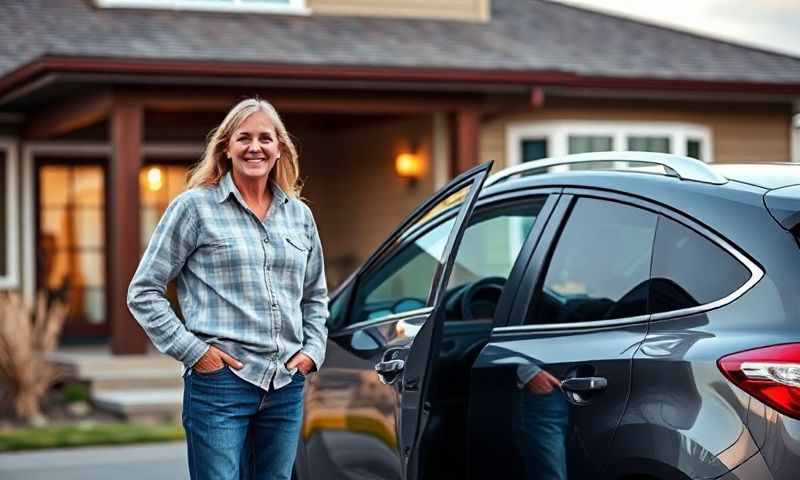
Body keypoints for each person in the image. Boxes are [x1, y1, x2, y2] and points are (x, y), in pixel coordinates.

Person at [127, 98, 329, 480]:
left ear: (280, 148)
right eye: (244, 138)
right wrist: (195, 353)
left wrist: (311, 351)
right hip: (221, 385)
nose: (255, 147)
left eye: (265, 138)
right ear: (226, 147)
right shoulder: (194, 208)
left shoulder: (299, 216)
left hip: (285, 384)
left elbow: (315, 295)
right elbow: (144, 291)